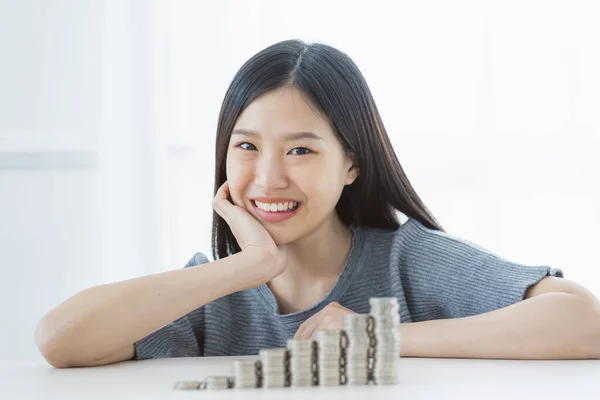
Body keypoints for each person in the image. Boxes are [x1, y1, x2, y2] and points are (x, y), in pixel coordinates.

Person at [35, 40, 600, 368]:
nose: (269, 177)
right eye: (247, 147)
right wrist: (250, 265)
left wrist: (379, 336)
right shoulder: (219, 290)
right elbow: (60, 339)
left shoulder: (406, 260)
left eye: (301, 149)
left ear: (351, 164)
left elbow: (582, 320)